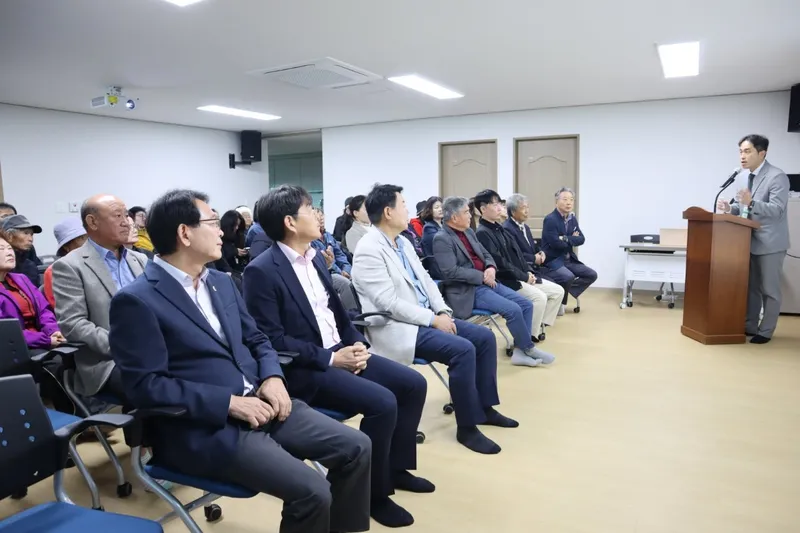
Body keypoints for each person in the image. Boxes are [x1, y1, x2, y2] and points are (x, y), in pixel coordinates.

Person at [108, 189, 371, 533]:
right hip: (207, 425)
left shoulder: (220, 282)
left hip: (264, 402)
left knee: (356, 446)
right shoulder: (137, 300)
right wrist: (229, 403)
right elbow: (146, 386)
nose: (222, 231)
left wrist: (272, 377)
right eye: (213, 222)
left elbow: (258, 339)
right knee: (312, 490)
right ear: (184, 233)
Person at [244, 185, 431, 528]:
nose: (319, 215)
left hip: (341, 352)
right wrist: (331, 360)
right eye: (310, 209)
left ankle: (395, 469)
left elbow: (337, 313)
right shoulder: (262, 270)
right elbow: (272, 338)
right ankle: (374, 495)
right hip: (307, 366)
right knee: (383, 402)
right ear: (290, 222)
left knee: (413, 384)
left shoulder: (315, 256)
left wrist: (357, 343)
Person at [352, 184, 518, 455]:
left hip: (426, 318)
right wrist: (432, 319)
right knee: (463, 349)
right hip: (400, 326)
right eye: (403, 205)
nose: (408, 210)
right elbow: (388, 304)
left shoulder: (402, 242)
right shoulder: (368, 248)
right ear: (388, 212)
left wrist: (442, 311)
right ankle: (467, 427)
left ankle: (484, 407)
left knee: (484, 338)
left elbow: (427, 282)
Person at [433, 196, 550, 367]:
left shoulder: (468, 232)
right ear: (454, 217)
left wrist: (490, 268)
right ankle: (528, 348)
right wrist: (482, 276)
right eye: (466, 212)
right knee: (513, 310)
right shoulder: (442, 238)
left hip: (488, 282)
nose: (470, 216)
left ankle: (520, 351)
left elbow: (486, 254)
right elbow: (450, 271)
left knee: (526, 304)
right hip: (468, 289)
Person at [51, 194, 149, 398]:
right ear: (92, 222)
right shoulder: (70, 266)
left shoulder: (140, 260)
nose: (127, 222)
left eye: (126, 215)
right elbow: (73, 324)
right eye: (118, 216)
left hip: (153, 349)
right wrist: (124, 347)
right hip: (108, 361)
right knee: (157, 384)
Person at [716, 134, 790, 343]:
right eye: (740, 151)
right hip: (747, 241)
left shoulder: (777, 176)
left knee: (769, 290)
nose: (742, 156)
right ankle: (749, 326)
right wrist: (730, 208)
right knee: (751, 288)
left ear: (762, 153)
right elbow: (743, 208)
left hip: (770, 243)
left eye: (747, 151)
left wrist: (752, 203)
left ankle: (765, 331)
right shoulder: (743, 176)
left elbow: (777, 210)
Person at [473, 190, 564, 341]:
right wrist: (524, 276)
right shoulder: (483, 233)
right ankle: (527, 337)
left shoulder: (499, 228)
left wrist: (528, 272)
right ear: (483, 209)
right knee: (539, 298)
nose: (500, 208)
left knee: (557, 291)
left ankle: (535, 328)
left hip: (520, 275)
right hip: (506, 280)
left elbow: (518, 256)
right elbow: (501, 264)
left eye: (500, 204)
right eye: (495, 205)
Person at [0, 234, 65, 349]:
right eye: (2, 249)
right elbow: (6, 331)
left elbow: (43, 309)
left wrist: (53, 331)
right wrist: (46, 340)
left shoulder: (21, 279)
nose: (9, 253)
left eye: (10, 248)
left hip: (44, 340)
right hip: (14, 348)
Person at [503, 193, 573, 300]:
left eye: (527, 207)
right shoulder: (507, 229)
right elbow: (514, 254)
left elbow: (533, 246)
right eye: (523, 208)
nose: (527, 211)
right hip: (524, 270)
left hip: (536, 267)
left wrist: (541, 252)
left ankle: (559, 307)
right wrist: (533, 258)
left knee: (563, 279)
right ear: (513, 211)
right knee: (555, 286)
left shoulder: (525, 227)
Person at [541, 187, 597, 313]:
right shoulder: (550, 219)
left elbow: (581, 239)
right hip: (554, 259)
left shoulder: (572, 218)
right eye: (565, 199)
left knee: (591, 275)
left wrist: (565, 238)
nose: (569, 203)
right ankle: (561, 301)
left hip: (568, 259)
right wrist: (572, 239)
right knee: (568, 276)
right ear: (556, 201)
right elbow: (556, 244)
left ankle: (565, 291)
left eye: (571, 200)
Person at [310, 208, 357, 311]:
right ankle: (354, 314)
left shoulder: (328, 236)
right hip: (327, 273)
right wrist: (340, 272)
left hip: (338, 271)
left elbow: (340, 255)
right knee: (344, 283)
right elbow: (323, 262)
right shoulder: (310, 239)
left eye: (322, 216)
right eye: (317, 217)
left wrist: (346, 269)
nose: (321, 219)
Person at [43, 218, 88, 307]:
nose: (88, 242)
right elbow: (64, 307)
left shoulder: (98, 262)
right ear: (66, 246)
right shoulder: (55, 271)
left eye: (89, 237)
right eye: (82, 238)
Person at [1, 215, 43, 286]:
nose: (31, 239)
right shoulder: (3, 265)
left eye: (31, 234)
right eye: (26, 233)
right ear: (9, 236)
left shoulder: (30, 267)